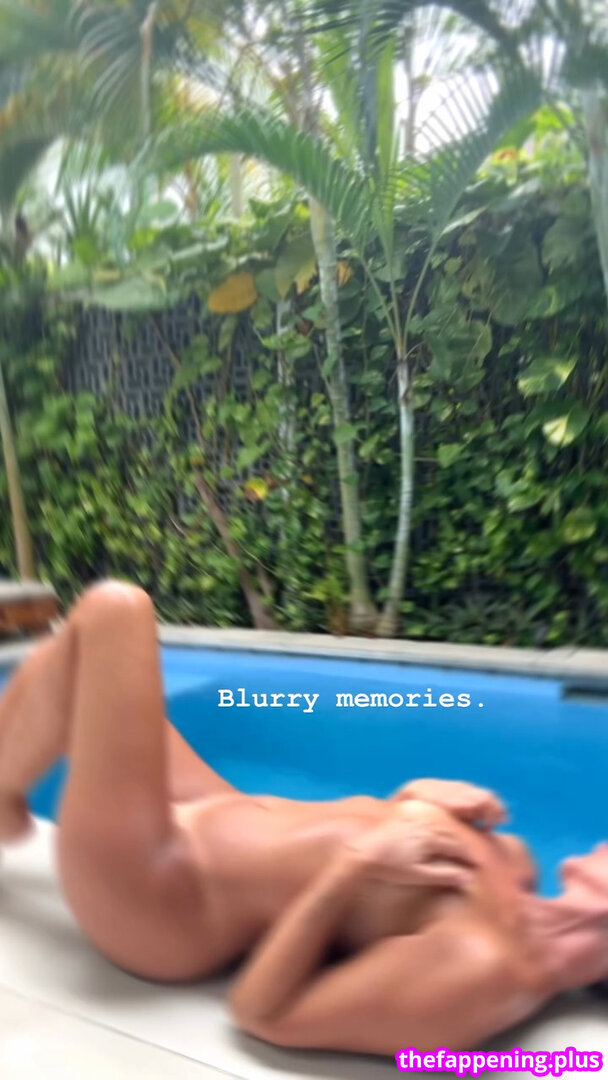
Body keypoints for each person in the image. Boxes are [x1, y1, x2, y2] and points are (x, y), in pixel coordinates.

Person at [0, 580, 606, 1056]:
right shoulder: (516, 864)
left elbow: (265, 1013)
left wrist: (357, 864)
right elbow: (361, 866)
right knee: (79, 662)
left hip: (161, 894)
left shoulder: (484, 966)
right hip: (215, 807)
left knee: (113, 613)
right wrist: (408, 800)